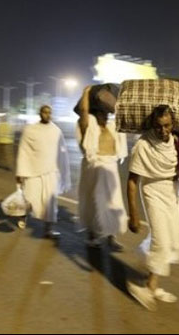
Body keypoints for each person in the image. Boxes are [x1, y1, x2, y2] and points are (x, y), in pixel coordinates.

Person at [126, 105, 179, 311]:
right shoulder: (143, 144)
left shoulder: (178, 140)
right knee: (161, 239)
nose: (163, 131)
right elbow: (132, 180)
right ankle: (149, 288)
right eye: (159, 126)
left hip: (171, 191)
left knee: (170, 239)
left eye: (167, 126)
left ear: (173, 123)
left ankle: (154, 283)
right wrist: (133, 215)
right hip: (152, 189)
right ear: (153, 124)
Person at [76, 86, 128, 250]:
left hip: (111, 168)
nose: (104, 116)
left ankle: (111, 237)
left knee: (114, 203)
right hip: (94, 168)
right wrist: (86, 92)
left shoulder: (113, 127)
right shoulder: (89, 125)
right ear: (94, 114)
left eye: (106, 113)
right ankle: (92, 235)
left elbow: (122, 114)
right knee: (94, 203)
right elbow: (84, 112)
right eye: (100, 113)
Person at [15, 105, 71, 237]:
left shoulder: (56, 131)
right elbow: (24, 151)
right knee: (29, 198)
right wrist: (21, 172)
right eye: (45, 112)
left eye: (49, 112)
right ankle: (22, 215)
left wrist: (62, 171)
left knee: (50, 203)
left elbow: (62, 152)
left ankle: (48, 229)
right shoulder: (30, 130)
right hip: (33, 171)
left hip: (51, 172)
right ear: (40, 114)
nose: (47, 115)